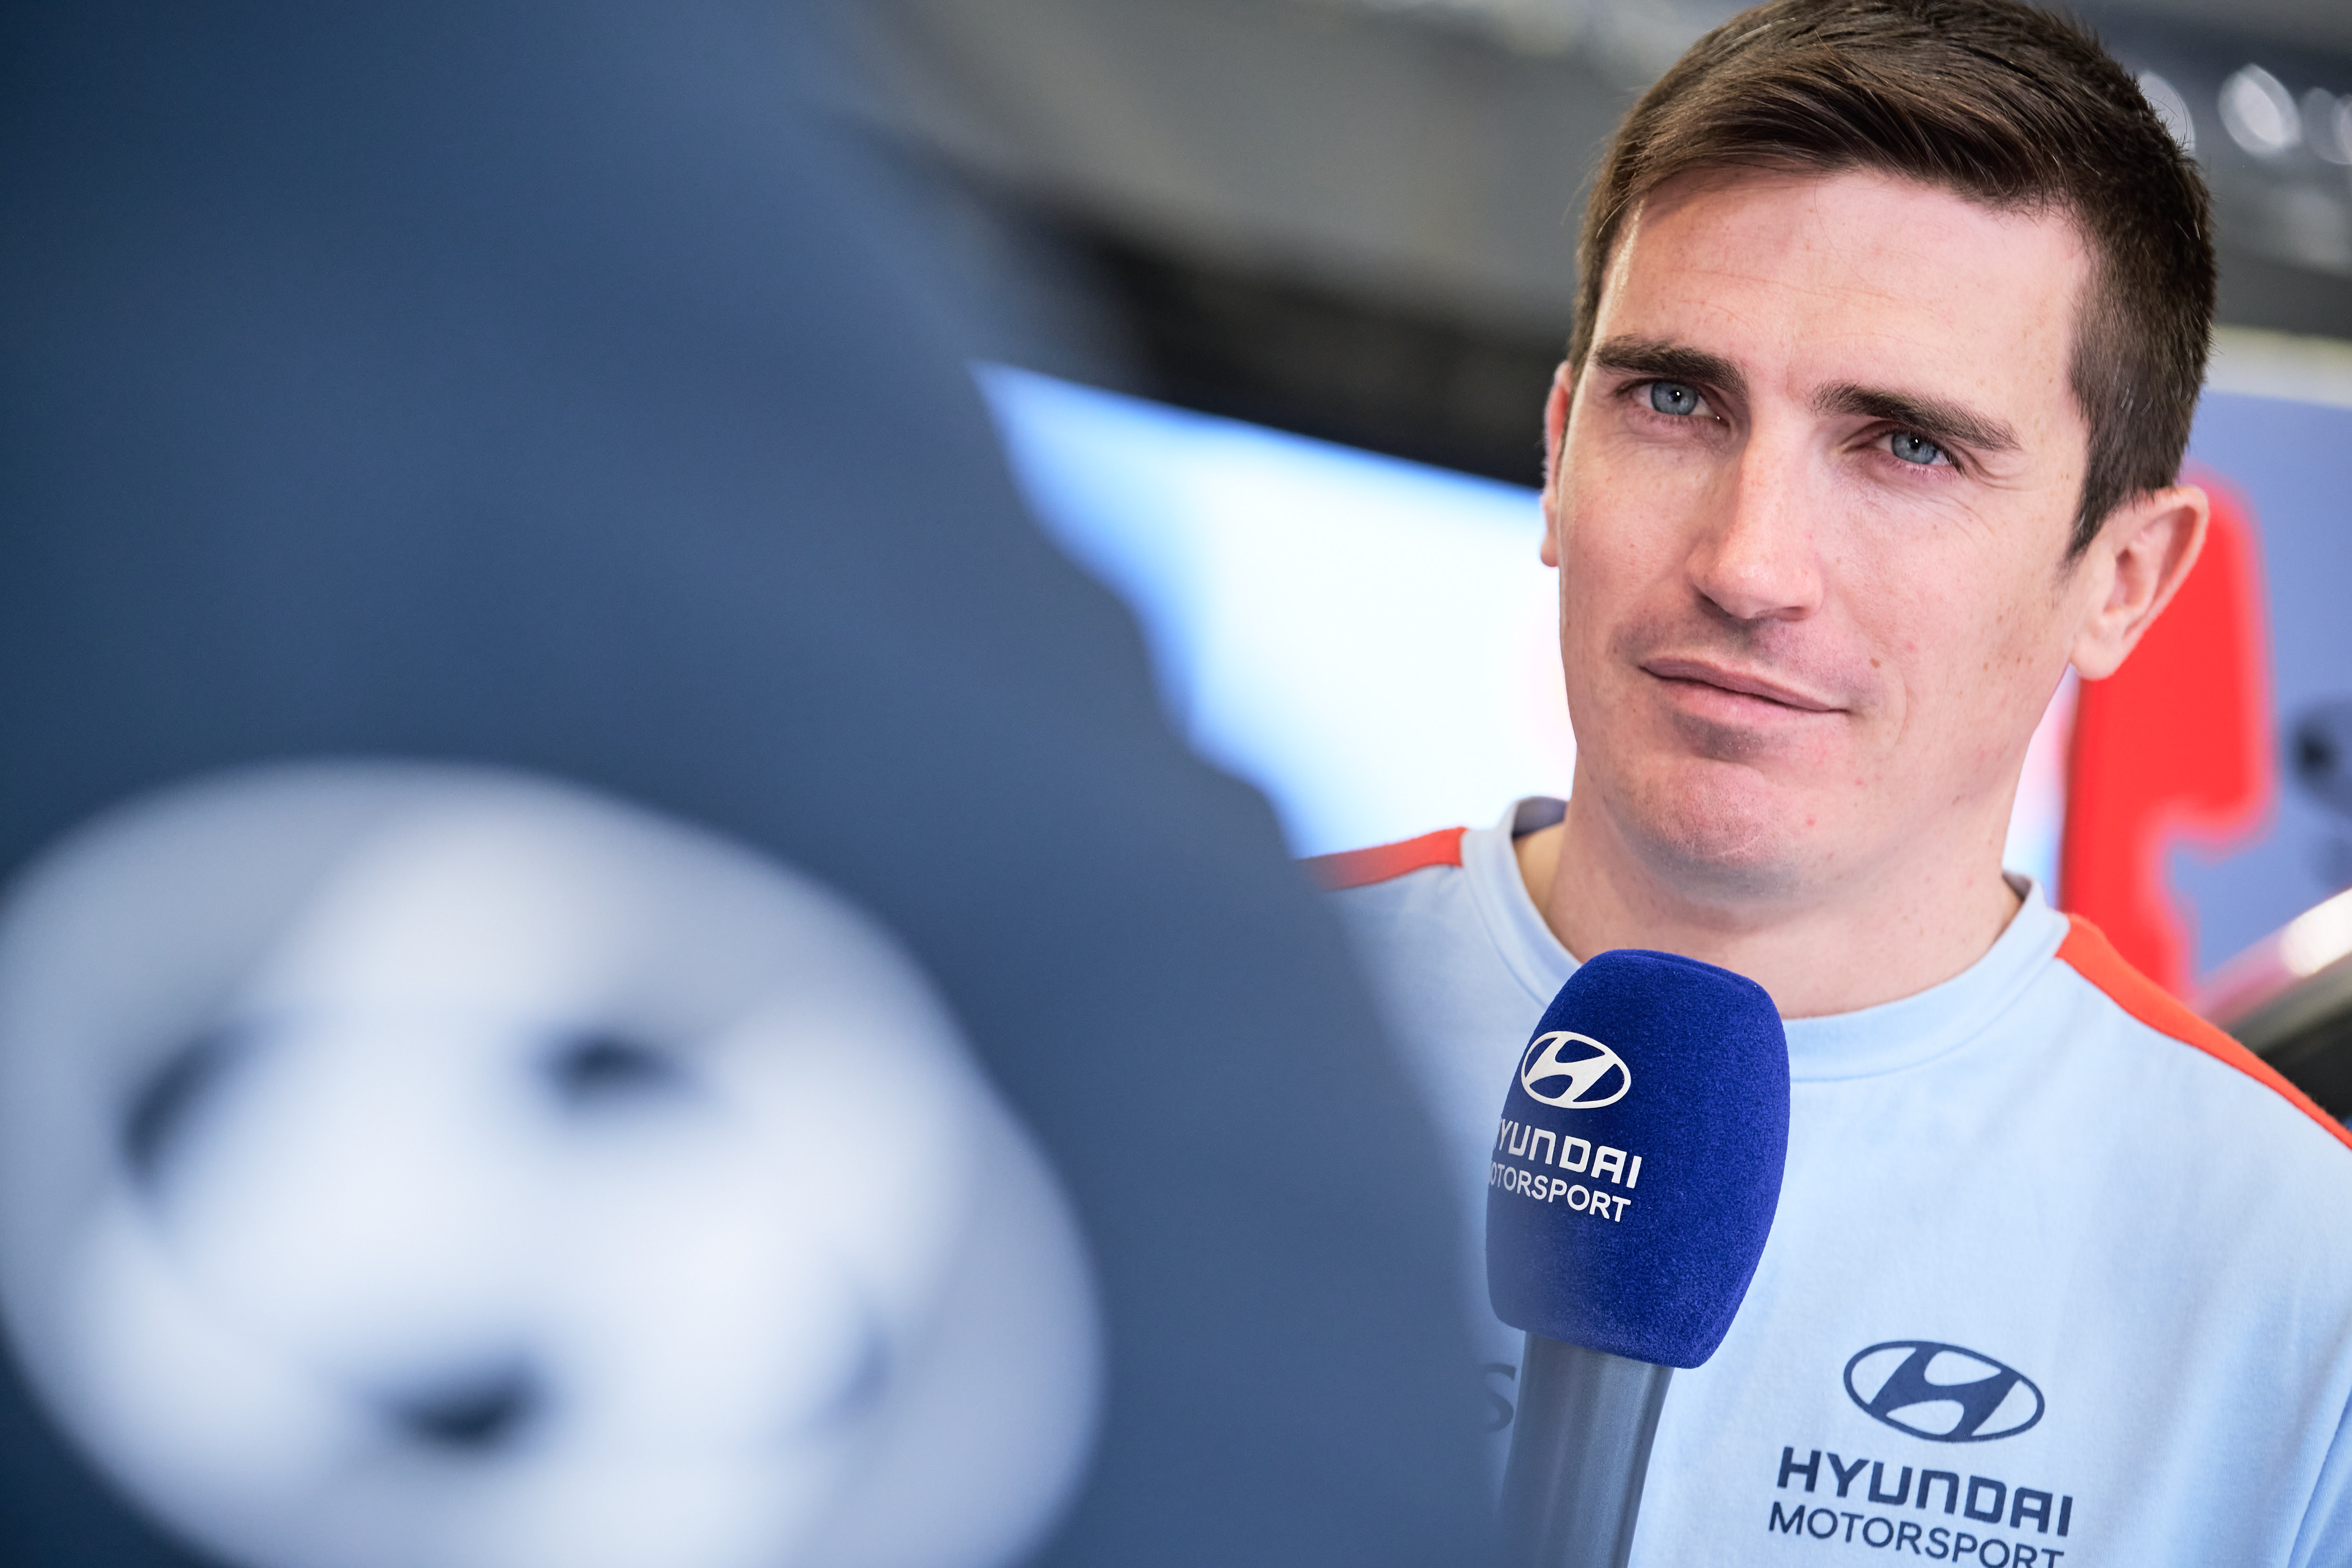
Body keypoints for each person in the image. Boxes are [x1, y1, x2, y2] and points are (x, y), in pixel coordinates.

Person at [1312, 0, 2352, 1561]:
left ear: (2125, 579)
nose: (1749, 565)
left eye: (1908, 447)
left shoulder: (2302, 1283)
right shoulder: (1173, 1006)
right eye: (1676, 400)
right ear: (1558, 456)